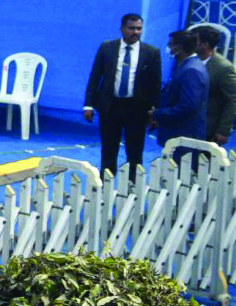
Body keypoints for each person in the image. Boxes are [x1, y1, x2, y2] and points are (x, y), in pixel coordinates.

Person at [83, 12, 161, 181]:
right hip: (110, 107)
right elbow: (95, 77)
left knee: (135, 151)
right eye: (131, 28)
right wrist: (88, 105)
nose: (136, 32)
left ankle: (132, 187)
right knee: (109, 150)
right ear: (122, 29)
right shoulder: (107, 48)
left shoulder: (151, 52)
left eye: (139, 29)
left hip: (137, 108)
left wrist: (155, 111)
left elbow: (155, 84)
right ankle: (105, 186)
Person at [150, 30, 209, 168]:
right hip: (178, 134)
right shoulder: (185, 66)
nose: (168, 48)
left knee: (181, 178)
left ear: (179, 47)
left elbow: (188, 106)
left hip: (185, 136)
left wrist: (157, 114)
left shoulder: (191, 70)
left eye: (170, 45)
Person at [194, 25, 236, 147]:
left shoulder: (224, 68)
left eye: (194, 40)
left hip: (209, 127)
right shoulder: (189, 61)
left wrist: (223, 130)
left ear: (204, 44)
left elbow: (232, 100)